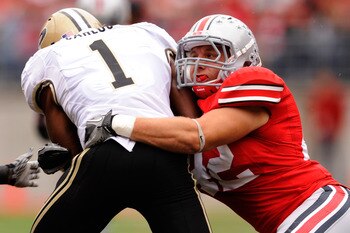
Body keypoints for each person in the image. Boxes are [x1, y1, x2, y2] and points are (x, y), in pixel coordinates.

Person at [85, 14, 350, 233]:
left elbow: (198, 135)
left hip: (318, 207)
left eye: (211, 53)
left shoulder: (253, 79)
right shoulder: (189, 111)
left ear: (241, 57)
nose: (198, 62)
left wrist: (115, 122)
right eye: (193, 53)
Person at [21, 8, 211, 233]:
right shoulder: (147, 33)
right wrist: (195, 149)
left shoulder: (46, 58)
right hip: (165, 152)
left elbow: (64, 140)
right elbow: (178, 91)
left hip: (105, 154)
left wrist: (67, 163)